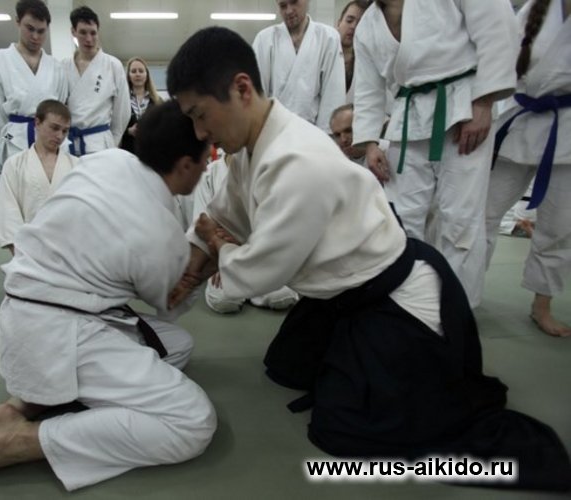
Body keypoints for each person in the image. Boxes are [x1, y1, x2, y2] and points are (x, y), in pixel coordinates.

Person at [166, 26, 571, 491]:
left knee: (342, 428)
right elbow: (224, 215)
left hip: (397, 296)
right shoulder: (252, 147)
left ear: (241, 88)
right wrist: (195, 260)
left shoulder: (297, 160)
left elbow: (261, 270)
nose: (200, 133)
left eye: (200, 115)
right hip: (342, 294)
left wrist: (219, 249)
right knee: (286, 366)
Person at [0, 100, 217, 492]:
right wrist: (207, 258)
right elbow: (170, 302)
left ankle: (29, 403)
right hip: (62, 330)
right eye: (205, 158)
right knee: (193, 420)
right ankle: (19, 441)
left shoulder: (106, 160)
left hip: (25, 316)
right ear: (186, 164)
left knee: (176, 346)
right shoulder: (160, 233)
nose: (208, 166)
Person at [352, 0, 519, 308]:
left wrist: (484, 102)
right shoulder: (368, 26)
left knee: (460, 219)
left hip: (462, 110)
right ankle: (411, 302)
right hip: (407, 119)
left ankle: (458, 308)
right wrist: (370, 142)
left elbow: (498, 29)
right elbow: (367, 87)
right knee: (402, 218)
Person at [485, 0, 571, 337]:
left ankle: (542, 304)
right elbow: (504, 59)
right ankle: (464, 288)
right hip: (521, 121)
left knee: (559, 226)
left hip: (567, 129)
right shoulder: (536, 8)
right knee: (483, 213)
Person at [191, 154, 298, 313]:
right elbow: (203, 226)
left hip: (262, 255)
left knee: (282, 297)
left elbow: (278, 225)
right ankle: (246, 284)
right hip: (223, 255)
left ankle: (254, 284)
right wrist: (221, 258)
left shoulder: (267, 171)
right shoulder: (209, 175)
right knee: (224, 301)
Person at [0, 0, 67, 171]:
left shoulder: (56, 66)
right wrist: (0, 158)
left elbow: (59, 110)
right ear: (18, 22)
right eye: (30, 29)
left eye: (41, 31)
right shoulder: (0, 59)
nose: (35, 37)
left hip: (49, 141)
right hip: (15, 141)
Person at [0, 100, 78, 255]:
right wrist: (18, 252)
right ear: (37, 123)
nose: (59, 136)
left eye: (65, 131)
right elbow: (8, 210)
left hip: (70, 248)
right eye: (54, 128)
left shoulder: (76, 165)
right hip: (28, 249)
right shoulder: (14, 164)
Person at [252, 0, 346, 133]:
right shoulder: (264, 39)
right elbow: (257, 93)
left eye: (294, 2)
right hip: (273, 131)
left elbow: (333, 94)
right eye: (283, 6)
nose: (289, 11)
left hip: (313, 133)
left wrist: (326, 136)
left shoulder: (329, 37)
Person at [62, 6, 130, 156]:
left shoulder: (113, 65)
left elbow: (123, 112)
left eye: (93, 33)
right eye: (83, 32)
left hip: (101, 143)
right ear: (73, 31)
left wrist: (112, 141)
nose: (89, 39)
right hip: (70, 143)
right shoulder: (64, 66)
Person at [120, 57, 163, 153]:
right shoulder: (121, 100)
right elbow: (113, 127)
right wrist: (128, 131)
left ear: (147, 75)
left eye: (141, 71)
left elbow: (165, 128)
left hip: (152, 153)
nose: (137, 74)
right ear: (129, 76)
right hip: (127, 152)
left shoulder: (158, 101)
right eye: (133, 71)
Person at [336, 0, 370, 100]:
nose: (353, 27)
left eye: (360, 24)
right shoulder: (324, 54)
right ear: (339, 23)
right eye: (349, 21)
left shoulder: (366, 63)